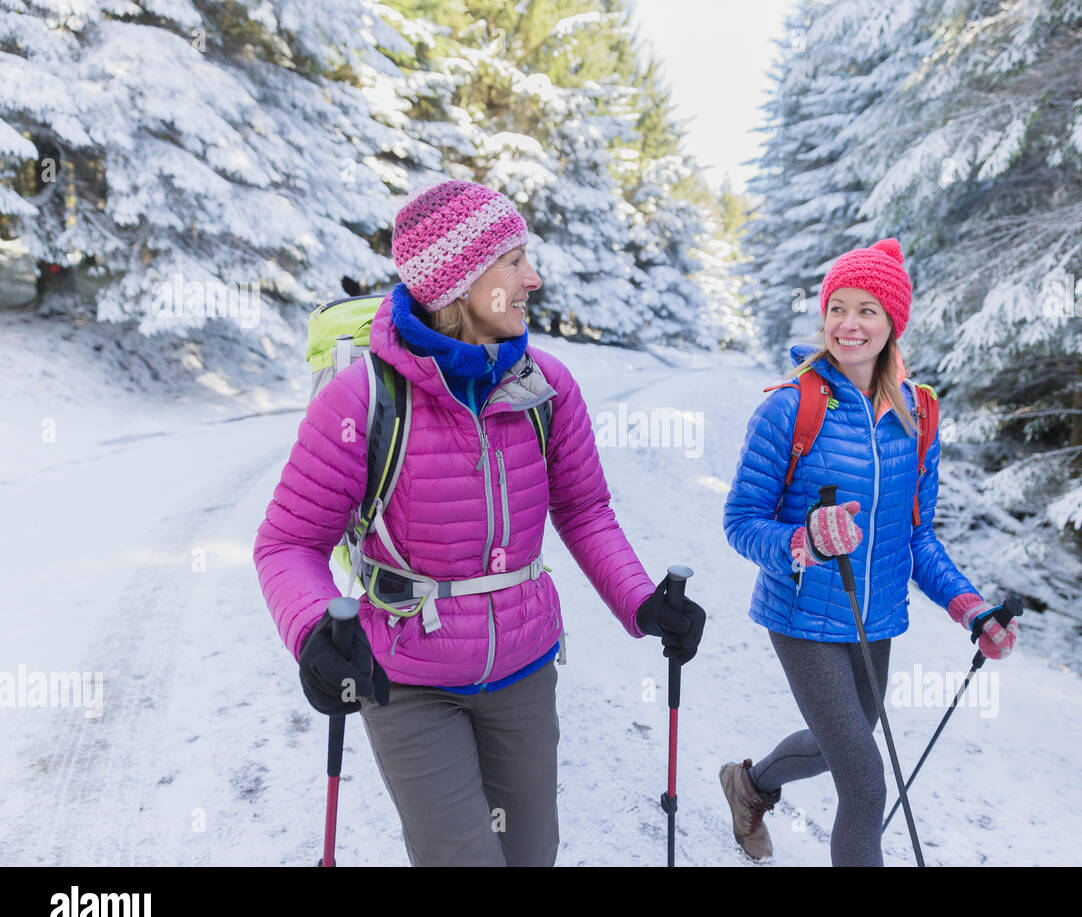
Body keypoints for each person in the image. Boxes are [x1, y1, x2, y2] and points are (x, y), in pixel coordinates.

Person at [253, 179, 706, 866]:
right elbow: (288, 541)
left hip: (524, 671)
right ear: (459, 284)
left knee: (530, 855)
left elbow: (583, 509)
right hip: (407, 681)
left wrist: (642, 601)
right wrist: (315, 628)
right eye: (514, 260)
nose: (534, 277)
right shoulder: (365, 397)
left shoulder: (545, 386)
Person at [719, 238, 1019, 867]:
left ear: (892, 324)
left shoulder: (918, 414)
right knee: (865, 780)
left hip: (874, 616)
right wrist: (803, 541)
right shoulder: (789, 407)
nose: (848, 325)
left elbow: (917, 537)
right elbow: (741, 523)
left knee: (836, 749)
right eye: (838, 308)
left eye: (867, 311)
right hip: (801, 615)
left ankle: (750, 786)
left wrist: (972, 608)